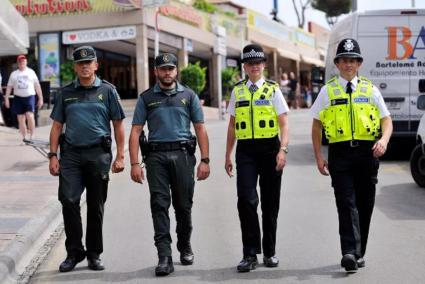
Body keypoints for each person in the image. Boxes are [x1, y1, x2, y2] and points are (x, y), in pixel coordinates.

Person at [311, 38, 393, 272]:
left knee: (365, 204)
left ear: (359, 63)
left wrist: (384, 140)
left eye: (353, 60)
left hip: (367, 153)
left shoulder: (370, 90)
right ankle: (348, 252)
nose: (348, 64)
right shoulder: (328, 91)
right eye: (344, 60)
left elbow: (386, 120)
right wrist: (318, 156)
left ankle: (358, 252)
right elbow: (316, 126)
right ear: (337, 64)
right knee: (346, 204)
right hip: (340, 154)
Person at [129, 53, 210, 277]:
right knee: (159, 205)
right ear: (156, 71)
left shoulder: (189, 95)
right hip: (156, 158)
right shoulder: (146, 98)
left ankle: (184, 245)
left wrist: (205, 160)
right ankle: (164, 256)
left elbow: (200, 128)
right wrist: (135, 163)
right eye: (163, 68)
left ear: (176, 71)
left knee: (183, 207)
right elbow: (136, 130)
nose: (167, 72)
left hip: (183, 155)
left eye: (171, 68)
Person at [48, 46, 125, 273]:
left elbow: (118, 125)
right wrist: (53, 156)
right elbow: (56, 126)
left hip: (98, 155)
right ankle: (74, 252)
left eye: (88, 62)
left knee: (95, 206)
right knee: (68, 200)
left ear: (96, 65)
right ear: (75, 66)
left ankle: (93, 254)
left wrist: (121, 156)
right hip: (71, 155)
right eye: (80, 63)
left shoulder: (108, 91)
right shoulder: (65, 93)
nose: (84, 66)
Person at [224, 44, 289, 272]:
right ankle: (249, 253)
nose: (254, 67)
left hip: (270, 149)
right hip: (246, 152)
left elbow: (284, 123)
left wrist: (283, 149)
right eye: (250, 64)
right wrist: (227, 155)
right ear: (244, 67)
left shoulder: (273, 90)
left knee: (270, 203)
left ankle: (269, 252)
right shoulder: (237, 91)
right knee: (246, 201)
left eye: (258, 63)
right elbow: (232, 126)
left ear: (263, 65)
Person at [4, 55, 43, 140]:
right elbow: (9, 87)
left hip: (29, 97)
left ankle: (32, 135)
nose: (22, 63)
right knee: (21, 118)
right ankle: (24, 136)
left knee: (29, 115)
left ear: (26, 62)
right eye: (20, 62)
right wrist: (6, 98)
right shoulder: (14, 74)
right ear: (18, 63)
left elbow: (37, 85)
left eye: (24, 61)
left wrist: (41, 98)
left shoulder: (31, 72)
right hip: (18, 97)